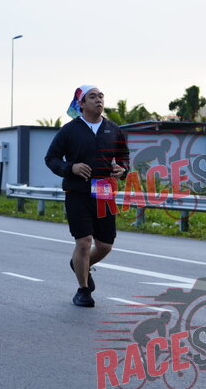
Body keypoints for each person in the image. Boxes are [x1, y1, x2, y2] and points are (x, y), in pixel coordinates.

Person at [45, 86, 129, 307]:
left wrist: (122, 169)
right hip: (77, 192)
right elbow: (51, 158)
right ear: (81, 104)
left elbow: (124, 157)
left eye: (101, 96)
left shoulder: (113, 129)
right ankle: (83, 291)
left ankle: (79, 264)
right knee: (84, 243)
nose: (98, 100)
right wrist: (70, 168)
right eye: (92, 97)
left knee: (105, 245)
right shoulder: (69, 130)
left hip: (103, 191)